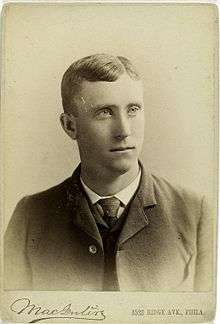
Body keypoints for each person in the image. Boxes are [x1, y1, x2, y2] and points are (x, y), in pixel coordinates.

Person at [4, 54, 212, 291]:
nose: (124, 130)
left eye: (133, 109)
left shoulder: (195, 213)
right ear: (69, 126)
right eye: (105, 112)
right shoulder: (30, 216)